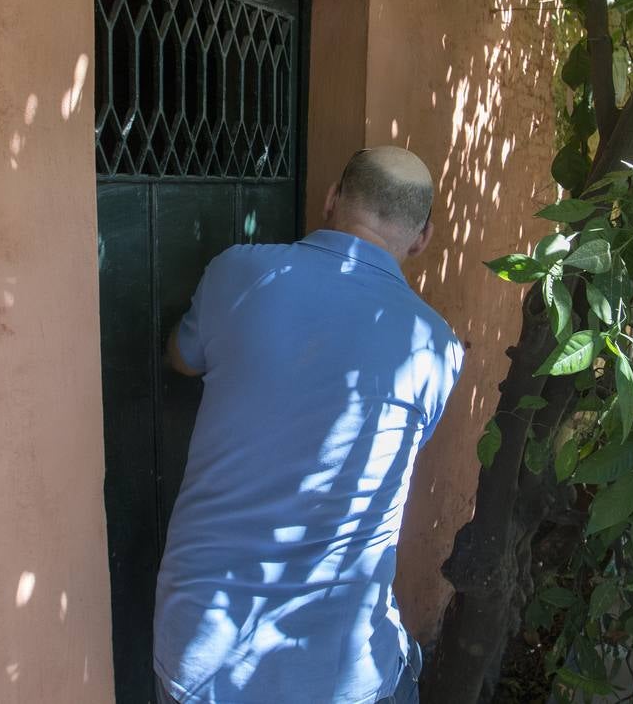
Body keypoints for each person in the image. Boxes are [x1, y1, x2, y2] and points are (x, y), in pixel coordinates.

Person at [153, 147, 465, 704]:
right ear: (422, 239)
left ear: (331, 199)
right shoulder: (436, 348)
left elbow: (181, 355)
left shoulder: (237, 272)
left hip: (200, 658)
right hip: (341, 674)